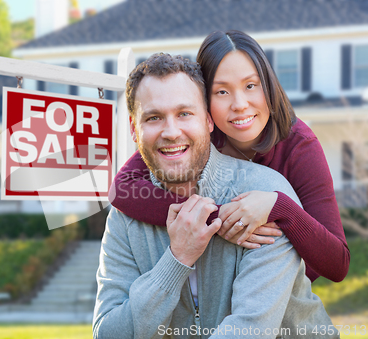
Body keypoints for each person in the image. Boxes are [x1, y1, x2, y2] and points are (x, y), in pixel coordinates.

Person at [93, 53, 338, 338]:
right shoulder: (125, 217)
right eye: (154, 117)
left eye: (184, 113)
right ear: (135, 131)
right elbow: (108, 333)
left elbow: (249, 330)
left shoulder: (265, 198)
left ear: (209, 121)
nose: (171, 132)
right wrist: (178, 258)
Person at [109, 30, 349, 283]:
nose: (240, 104)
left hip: (281, 288)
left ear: (268, 85)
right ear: (204, 104)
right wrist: (222, 219)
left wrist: (278, 206)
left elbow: (337, 263)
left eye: (250, 86)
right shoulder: (195, 136)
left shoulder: (299, 145)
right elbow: (122, 189)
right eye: (222, 92)